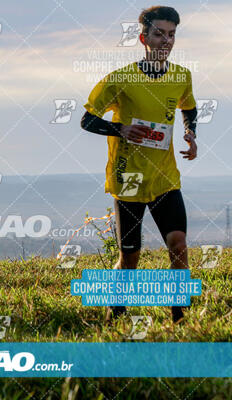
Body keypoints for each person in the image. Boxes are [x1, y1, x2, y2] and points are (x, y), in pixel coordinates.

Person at [81, 6, 197, 323]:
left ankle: (180, 319)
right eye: (159, 33)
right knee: (130, 256)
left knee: (178, 244)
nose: (166, 41)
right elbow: (87, 120)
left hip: (164, 177)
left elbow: (190, 108)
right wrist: (121, 129)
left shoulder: (181, 77)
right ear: (144, 37)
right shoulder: (121, 79)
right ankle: (115, 315)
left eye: (171, 34)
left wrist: (191, 134)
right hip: (128, 177)